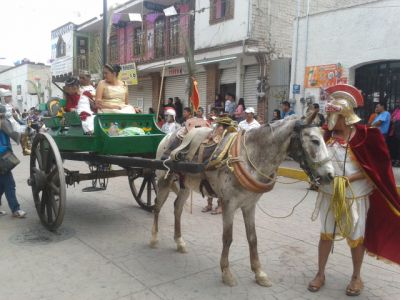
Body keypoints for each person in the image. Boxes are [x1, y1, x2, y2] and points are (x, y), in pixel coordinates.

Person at [307, 84, 400, 297]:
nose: (330, 121)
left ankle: (356, 277)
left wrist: (349, 178)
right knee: (326, 234)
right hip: (329, 194)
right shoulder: (325, 136)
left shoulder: (367, 136)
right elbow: (315, 160)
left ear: (346, 115)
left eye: (335, 116)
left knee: (356, 237)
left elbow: (377, 170)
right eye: (329, 115)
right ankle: (320, 273)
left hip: (355, 195)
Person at [0, 126, 27, 218]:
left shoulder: (3, 123)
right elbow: (13, 135)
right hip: (2, 157)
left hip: (3, 155)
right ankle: (16, 210)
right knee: (9, 184)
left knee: (2, 185)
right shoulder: (3, 123)